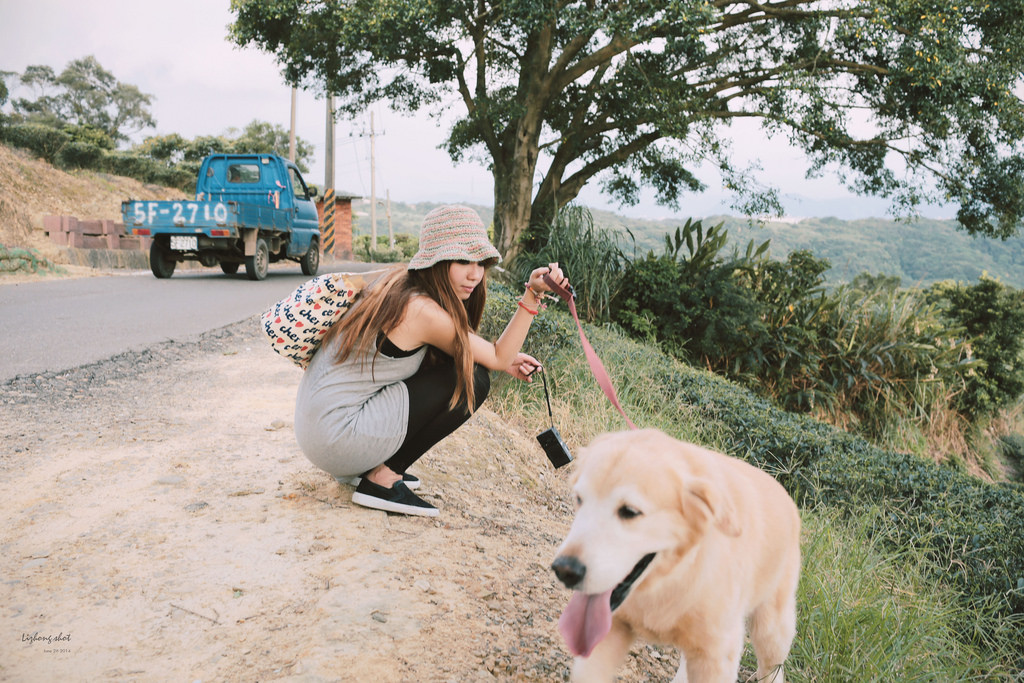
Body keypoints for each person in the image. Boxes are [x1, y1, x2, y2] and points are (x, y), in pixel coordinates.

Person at [293, 204, 569, 517]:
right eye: (462, 260)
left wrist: (501, 361)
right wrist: (532, 294)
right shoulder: (422, 311)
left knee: (467, 366)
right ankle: (383, 479)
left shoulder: (403, 288)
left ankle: (372, 466)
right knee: (472, 380)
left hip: (321, 429)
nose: (475, 274)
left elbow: (479, 352)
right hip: (336, 437)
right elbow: (491, 356)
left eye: (481, 262)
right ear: (437, 260)